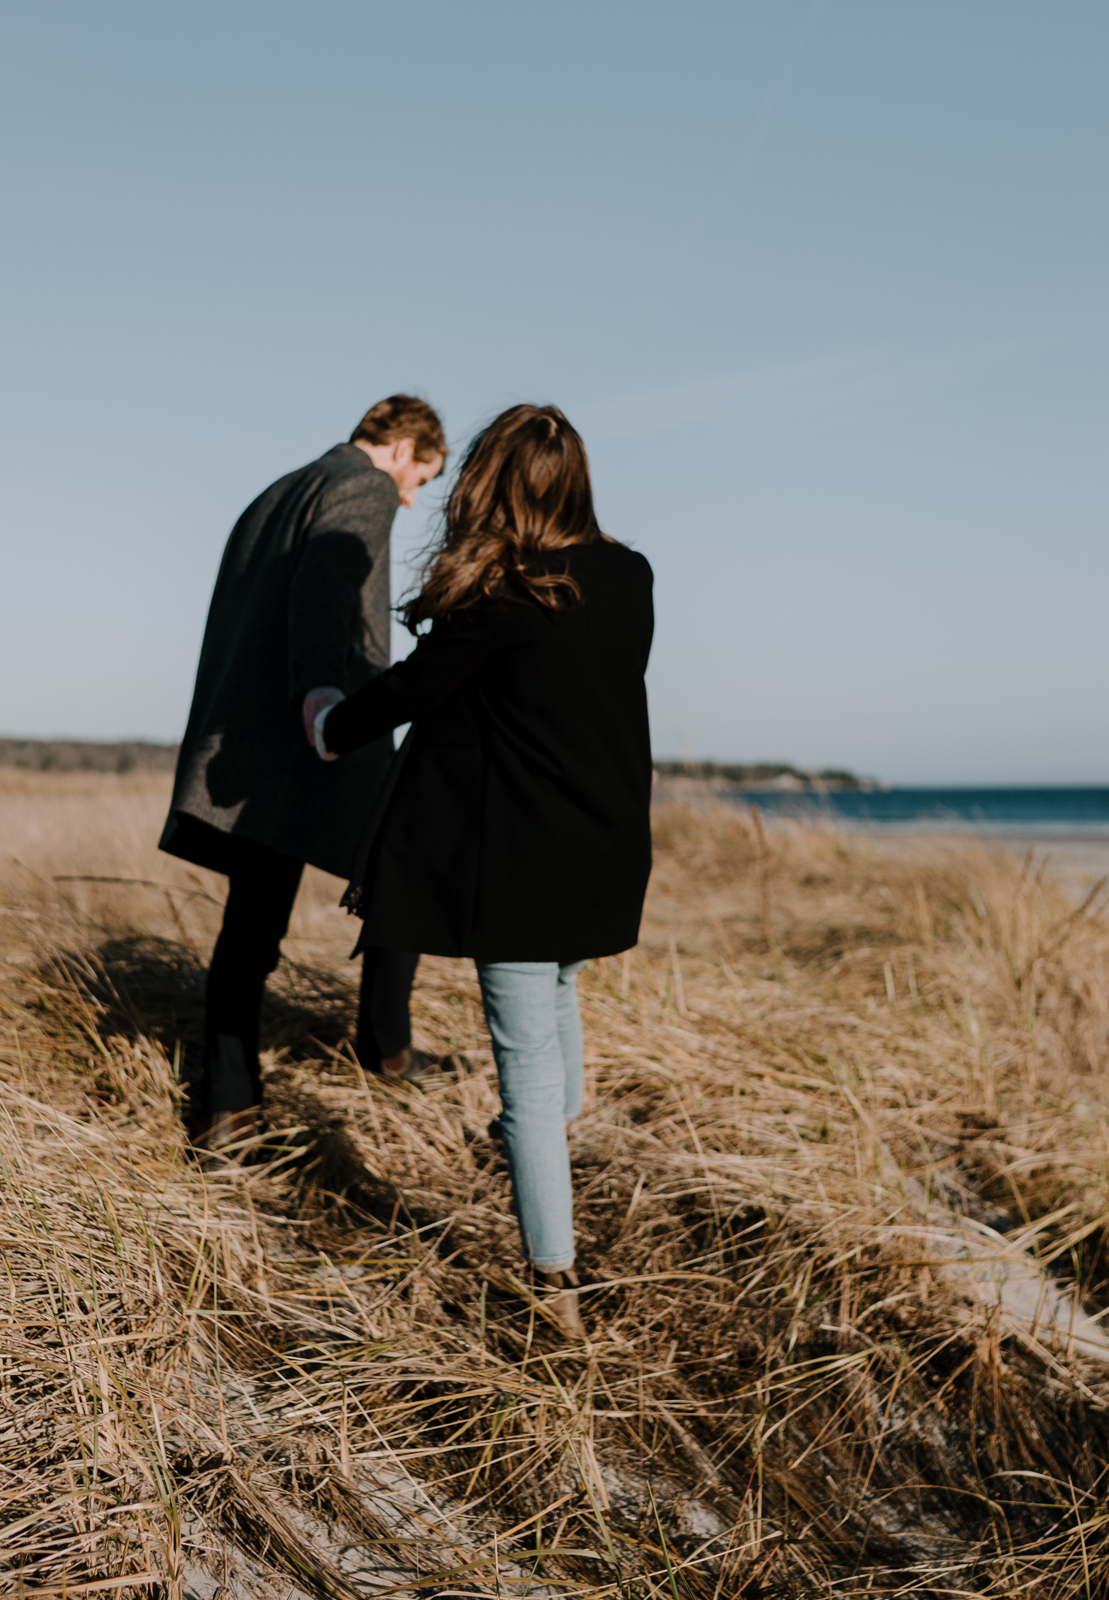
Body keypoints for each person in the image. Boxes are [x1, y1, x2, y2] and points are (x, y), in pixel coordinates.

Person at [306, 403, 653, 1339]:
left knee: (526, 1086)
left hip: (521, 872)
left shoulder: (503, 592)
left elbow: (413, 692)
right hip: (608, 852)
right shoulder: (631, 575)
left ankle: (557, 1292)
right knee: (562, 1008)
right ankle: (559, 1166)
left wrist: (331, 724)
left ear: (489, 482)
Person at [160, 395, 447, 1152]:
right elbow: (326, 588)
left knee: (249, 928)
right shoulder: (364, 485)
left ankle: (230, 1106)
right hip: (316, 735)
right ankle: (387, 1049)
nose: (413, 498)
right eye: (423, 477)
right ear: (404, 446)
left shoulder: (275, 492)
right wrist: (323, 692)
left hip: (250, 744)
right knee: (403, 867)